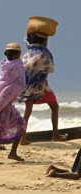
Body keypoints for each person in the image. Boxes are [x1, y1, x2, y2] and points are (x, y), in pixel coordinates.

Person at [18, 17, 67, 145]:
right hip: (42, 86)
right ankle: (55, 134)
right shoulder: (44, 53)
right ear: (44, 41)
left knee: (27, 112)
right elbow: (49, 69)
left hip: (28, 86)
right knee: (55, 107)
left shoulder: (29, 51)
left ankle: (22, 138)